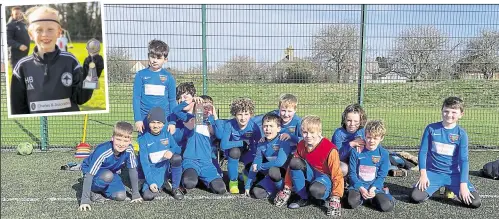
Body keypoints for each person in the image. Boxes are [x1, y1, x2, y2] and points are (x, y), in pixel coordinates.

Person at [10, 6, 102, 115]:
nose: (45, 34)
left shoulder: (71, 61)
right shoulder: (21, 67)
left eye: (50, 29)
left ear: (59, 32)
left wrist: (93, 71)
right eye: (39, 30)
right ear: (31, 34)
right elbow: (17, 108)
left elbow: (82, 98)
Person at [410, 97, 481, 208]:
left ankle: (451, 188)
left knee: (475, 202)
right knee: (415, 197)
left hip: (453, 175)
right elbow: (423, 152)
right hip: (433, 173)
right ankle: (435, 188)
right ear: (442, 111)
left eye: (454, 112)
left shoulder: (461, 134)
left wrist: (463, 185)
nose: (449, 115)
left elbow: (464, 160)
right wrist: (423, 175)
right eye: (446, 111)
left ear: (461, 114)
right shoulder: (431, 128)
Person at [274, 115, 343, 217]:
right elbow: (291, 167)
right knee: (294, 162)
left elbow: (337, 174)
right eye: (305, 132)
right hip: (311, 173)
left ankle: (325, 197)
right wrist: (287, 187)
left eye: (312, 132)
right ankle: (303, 197)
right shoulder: (302, 144)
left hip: (324, 177)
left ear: (319, 132)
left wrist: (336, 196)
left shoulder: (330, 149)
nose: (308, 136)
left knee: (316, 190)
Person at [171, 91, 227, 195]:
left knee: (221, 189)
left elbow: (219, 135)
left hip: (206, 162)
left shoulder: (210, 122)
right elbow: (175, 110)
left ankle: (202, 178)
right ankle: (194, 177)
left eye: (208, 106)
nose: (205, 108)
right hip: (190, 160)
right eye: (202, 105)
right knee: (189, 183)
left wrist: (214, 114)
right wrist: (191, 100)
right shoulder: (191, 119)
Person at [78, 122, 142, 211]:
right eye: (118, 139)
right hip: (91, 171)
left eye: (125, 141)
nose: (121, 144)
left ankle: (102, 187)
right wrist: (85, 200)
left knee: (120, 196)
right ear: (112, 138)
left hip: (110, 172)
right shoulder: (103, 151)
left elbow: (133, 170)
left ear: (130, 141)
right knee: (107, 176)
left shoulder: (129, 150)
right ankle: (92, 190)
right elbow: (90, 174)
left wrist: (135, 194)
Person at [346, 120, 395, 212]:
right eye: (368, 137)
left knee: (387, 206)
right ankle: (363, 198)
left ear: (381, 138)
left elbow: (381, 176)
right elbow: (352, 174)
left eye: (375, 138)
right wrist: (361, 188)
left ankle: (380, 195)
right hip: (358, 186)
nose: (371, 141)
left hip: (374, 187)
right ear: (365, 135)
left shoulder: (384, 154)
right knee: (350, 203)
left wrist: (373, 188)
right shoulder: (356, 151)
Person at [133, 39, 177, 136]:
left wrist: (172, 122)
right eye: (152, 57)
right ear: (148, 56)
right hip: (145, 119)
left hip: (163, 120)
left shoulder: (169, 78)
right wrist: (138, 119)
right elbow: (136, 98)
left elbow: (172, 101)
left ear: (165, 59)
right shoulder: (140, 75)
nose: (154, 60)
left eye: (158, 58)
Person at [138, 107, 183, 201]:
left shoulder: (166, 134)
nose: (156, 125)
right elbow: (144, 163)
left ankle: (175, 187)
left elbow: (177, 148)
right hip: (152, 172)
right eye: (153, 122)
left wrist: (171, 151)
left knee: (177, 158)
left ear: (163, 124)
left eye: (159, 122)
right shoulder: (143, 139)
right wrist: (150, 182)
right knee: (148, 196)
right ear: (148, 122)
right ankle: (159, 183)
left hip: (166, 170)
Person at [244, 113, 291, 199]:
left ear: (279, 128)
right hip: (272, 175)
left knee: (273, 171)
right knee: (256, 192)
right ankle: (275, 189)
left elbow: (279, 162)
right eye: (265, 126)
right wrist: (247, 185)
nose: (267, 129)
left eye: (271, 126)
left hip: (286, 175)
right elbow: (255, 163)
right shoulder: (261, 143)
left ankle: (284, 191)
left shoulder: (283, 140)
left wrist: (260, 167)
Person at [221, 97, 262, 194]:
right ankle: (233, 182)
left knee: (255, 179)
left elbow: (259, 144)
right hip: (233, 152)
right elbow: (223, 145)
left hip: (248, 152)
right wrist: (241, 143)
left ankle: (245, 173)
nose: (243, 118)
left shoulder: (254, 126)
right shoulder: (229, 124)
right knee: (235, 152)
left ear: (251, 114)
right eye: (239, 114)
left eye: (246, 114)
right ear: (234, 114)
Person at [331, 104, 367, 176]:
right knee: (343, 169)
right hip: (342, 161)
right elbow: (337, 156)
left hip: (357, 161)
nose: (352, 124)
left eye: (356, 121)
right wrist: (350, 144)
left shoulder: (364, 132)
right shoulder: (338, 133)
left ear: (361, 121)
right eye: (349, 120)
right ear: (344, 120)